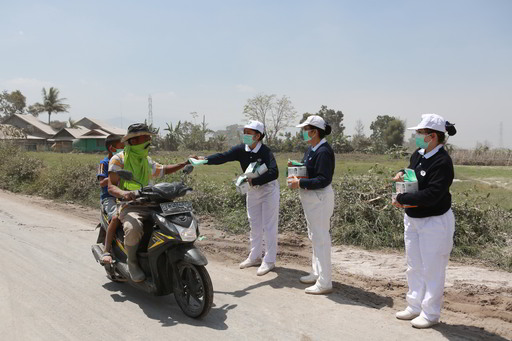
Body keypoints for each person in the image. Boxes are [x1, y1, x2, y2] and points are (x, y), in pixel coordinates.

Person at [393, 113, 457, 329]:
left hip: (434, 222)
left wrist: (402, 199)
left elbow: (432, 194)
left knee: (433, 268)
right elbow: (412, 173)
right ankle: (414, 305)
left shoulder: (442, 162)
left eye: (419, 133)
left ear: (432, 136)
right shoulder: (419, 154)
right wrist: (402, 173)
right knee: (414, 265)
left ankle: (430, 313)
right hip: (413, 219)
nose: (416, 137)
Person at [108, 123, 190, 282]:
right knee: (133, 228)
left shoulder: (146, 160)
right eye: (146, 137)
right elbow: (111, 186)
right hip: (131, 205)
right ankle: (131, 262)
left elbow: (163, 170)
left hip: (153, 202)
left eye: (149, 137)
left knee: (178, 221)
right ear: (133, 140)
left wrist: (184, 164)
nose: (149, 140)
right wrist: (124, 193)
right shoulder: (118, 159)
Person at [199, 120, 280, 276]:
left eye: (249, 133)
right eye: (245, 132)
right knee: (254, 223)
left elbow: (274, 172)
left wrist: (254, 181)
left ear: (258, 136)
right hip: (252, 190)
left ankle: (269, 260)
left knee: (269, 226)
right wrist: (204, 159)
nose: (245, 136)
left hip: (268, 189)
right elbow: (223, 157)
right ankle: (255, 256)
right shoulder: (240, 150)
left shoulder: (265, 151)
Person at [288, 115, 335, 295]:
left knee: (321, 238)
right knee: (314, 236)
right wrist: (298, 167)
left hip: (319, 198)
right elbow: (310, 170)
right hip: (311, 199)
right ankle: (317, 272)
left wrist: (300, 183)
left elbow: (323, 179)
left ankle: (325, 282)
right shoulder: (312, 149)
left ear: (315, 132)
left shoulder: (323, 151)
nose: (304, 133)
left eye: (306, 130)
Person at [97, 134, 124, 264]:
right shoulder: (105, 163)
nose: (124, 148)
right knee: (115, 217)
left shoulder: (125, 161)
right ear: (112, 148)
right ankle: (106, 251)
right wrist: (116, 174)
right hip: (109, 198)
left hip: (124, 195)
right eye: (121, 146)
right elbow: (102, 183)